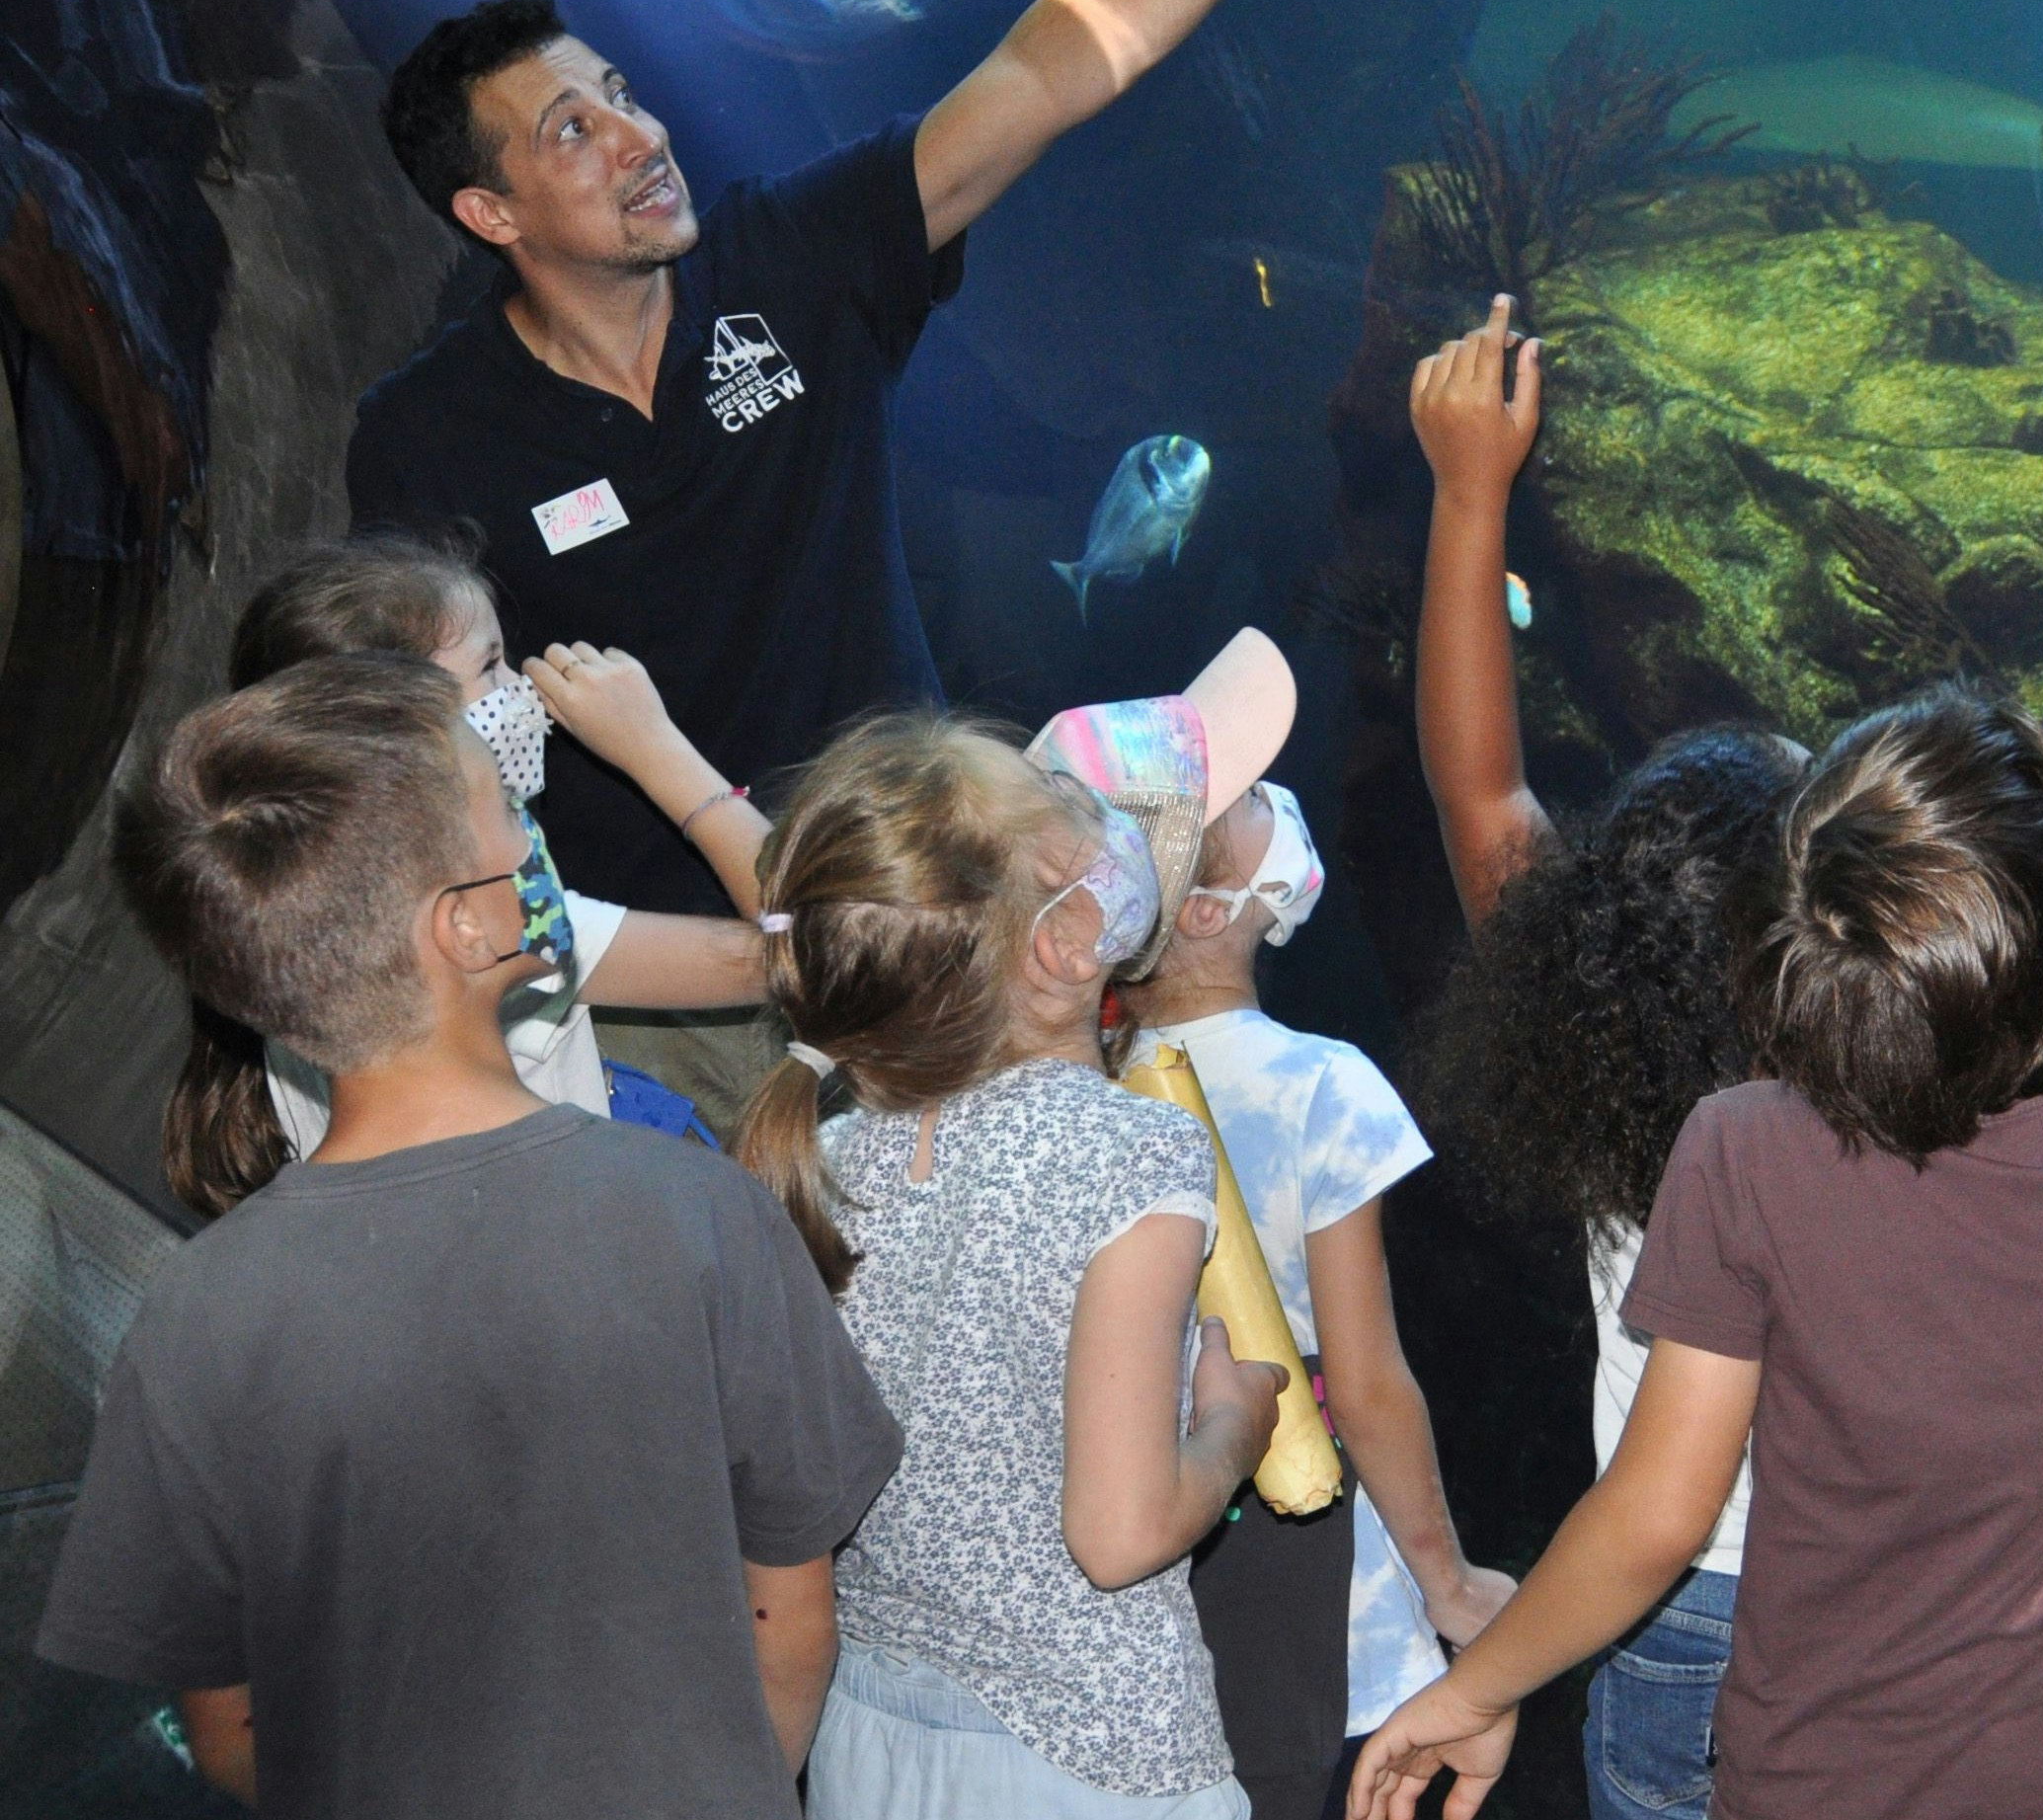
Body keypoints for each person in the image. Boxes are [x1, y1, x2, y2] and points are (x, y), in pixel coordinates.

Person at [1396, 300, 2043, 1819]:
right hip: (2008, 1673)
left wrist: (1466, 491)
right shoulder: (2019, 1033)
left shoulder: (1679, 1111)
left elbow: (1479, 789)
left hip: (1686, 1634)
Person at [346, 0, 1472, 1105]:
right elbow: (416, 751)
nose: (637, 138)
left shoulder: (786, 262)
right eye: (572, 131)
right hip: (683, 1003)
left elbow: (1049, 67)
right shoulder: (427, 440)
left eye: (625, 95)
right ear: (492, 215)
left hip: (930, 913)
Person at [40, 653, 903, 1814]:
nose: (529, 836)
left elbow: (232, 1725)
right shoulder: (697, 1212)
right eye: (506, 809)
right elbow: (790, 1616)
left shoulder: (195, 1317)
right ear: (462, 925)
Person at [736, 640, 1302, 1818]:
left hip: (872, 1742)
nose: (1108, 830)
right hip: (1090, 1757)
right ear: (1062, 940)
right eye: (1074, 818)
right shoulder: (1128, 1154)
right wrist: (1235, 1425)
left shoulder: (826, 1153)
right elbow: (1120, 1531)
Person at [156, 530, 773, 1215]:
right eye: (492, 665)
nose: (527, 691)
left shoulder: (310, 917)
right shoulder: (504, 928)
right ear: (400, 736)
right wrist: (656, 749)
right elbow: (805, 948)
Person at [1121, 776, 1515, 1815]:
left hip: (1149, 1577)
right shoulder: (1324, 1085)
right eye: (1248, 796)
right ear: (1205, 912)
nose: (1276, 795)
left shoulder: (1082, 1087)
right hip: (1329, 1598)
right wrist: (1450, 1585)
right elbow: (1370, 1381)